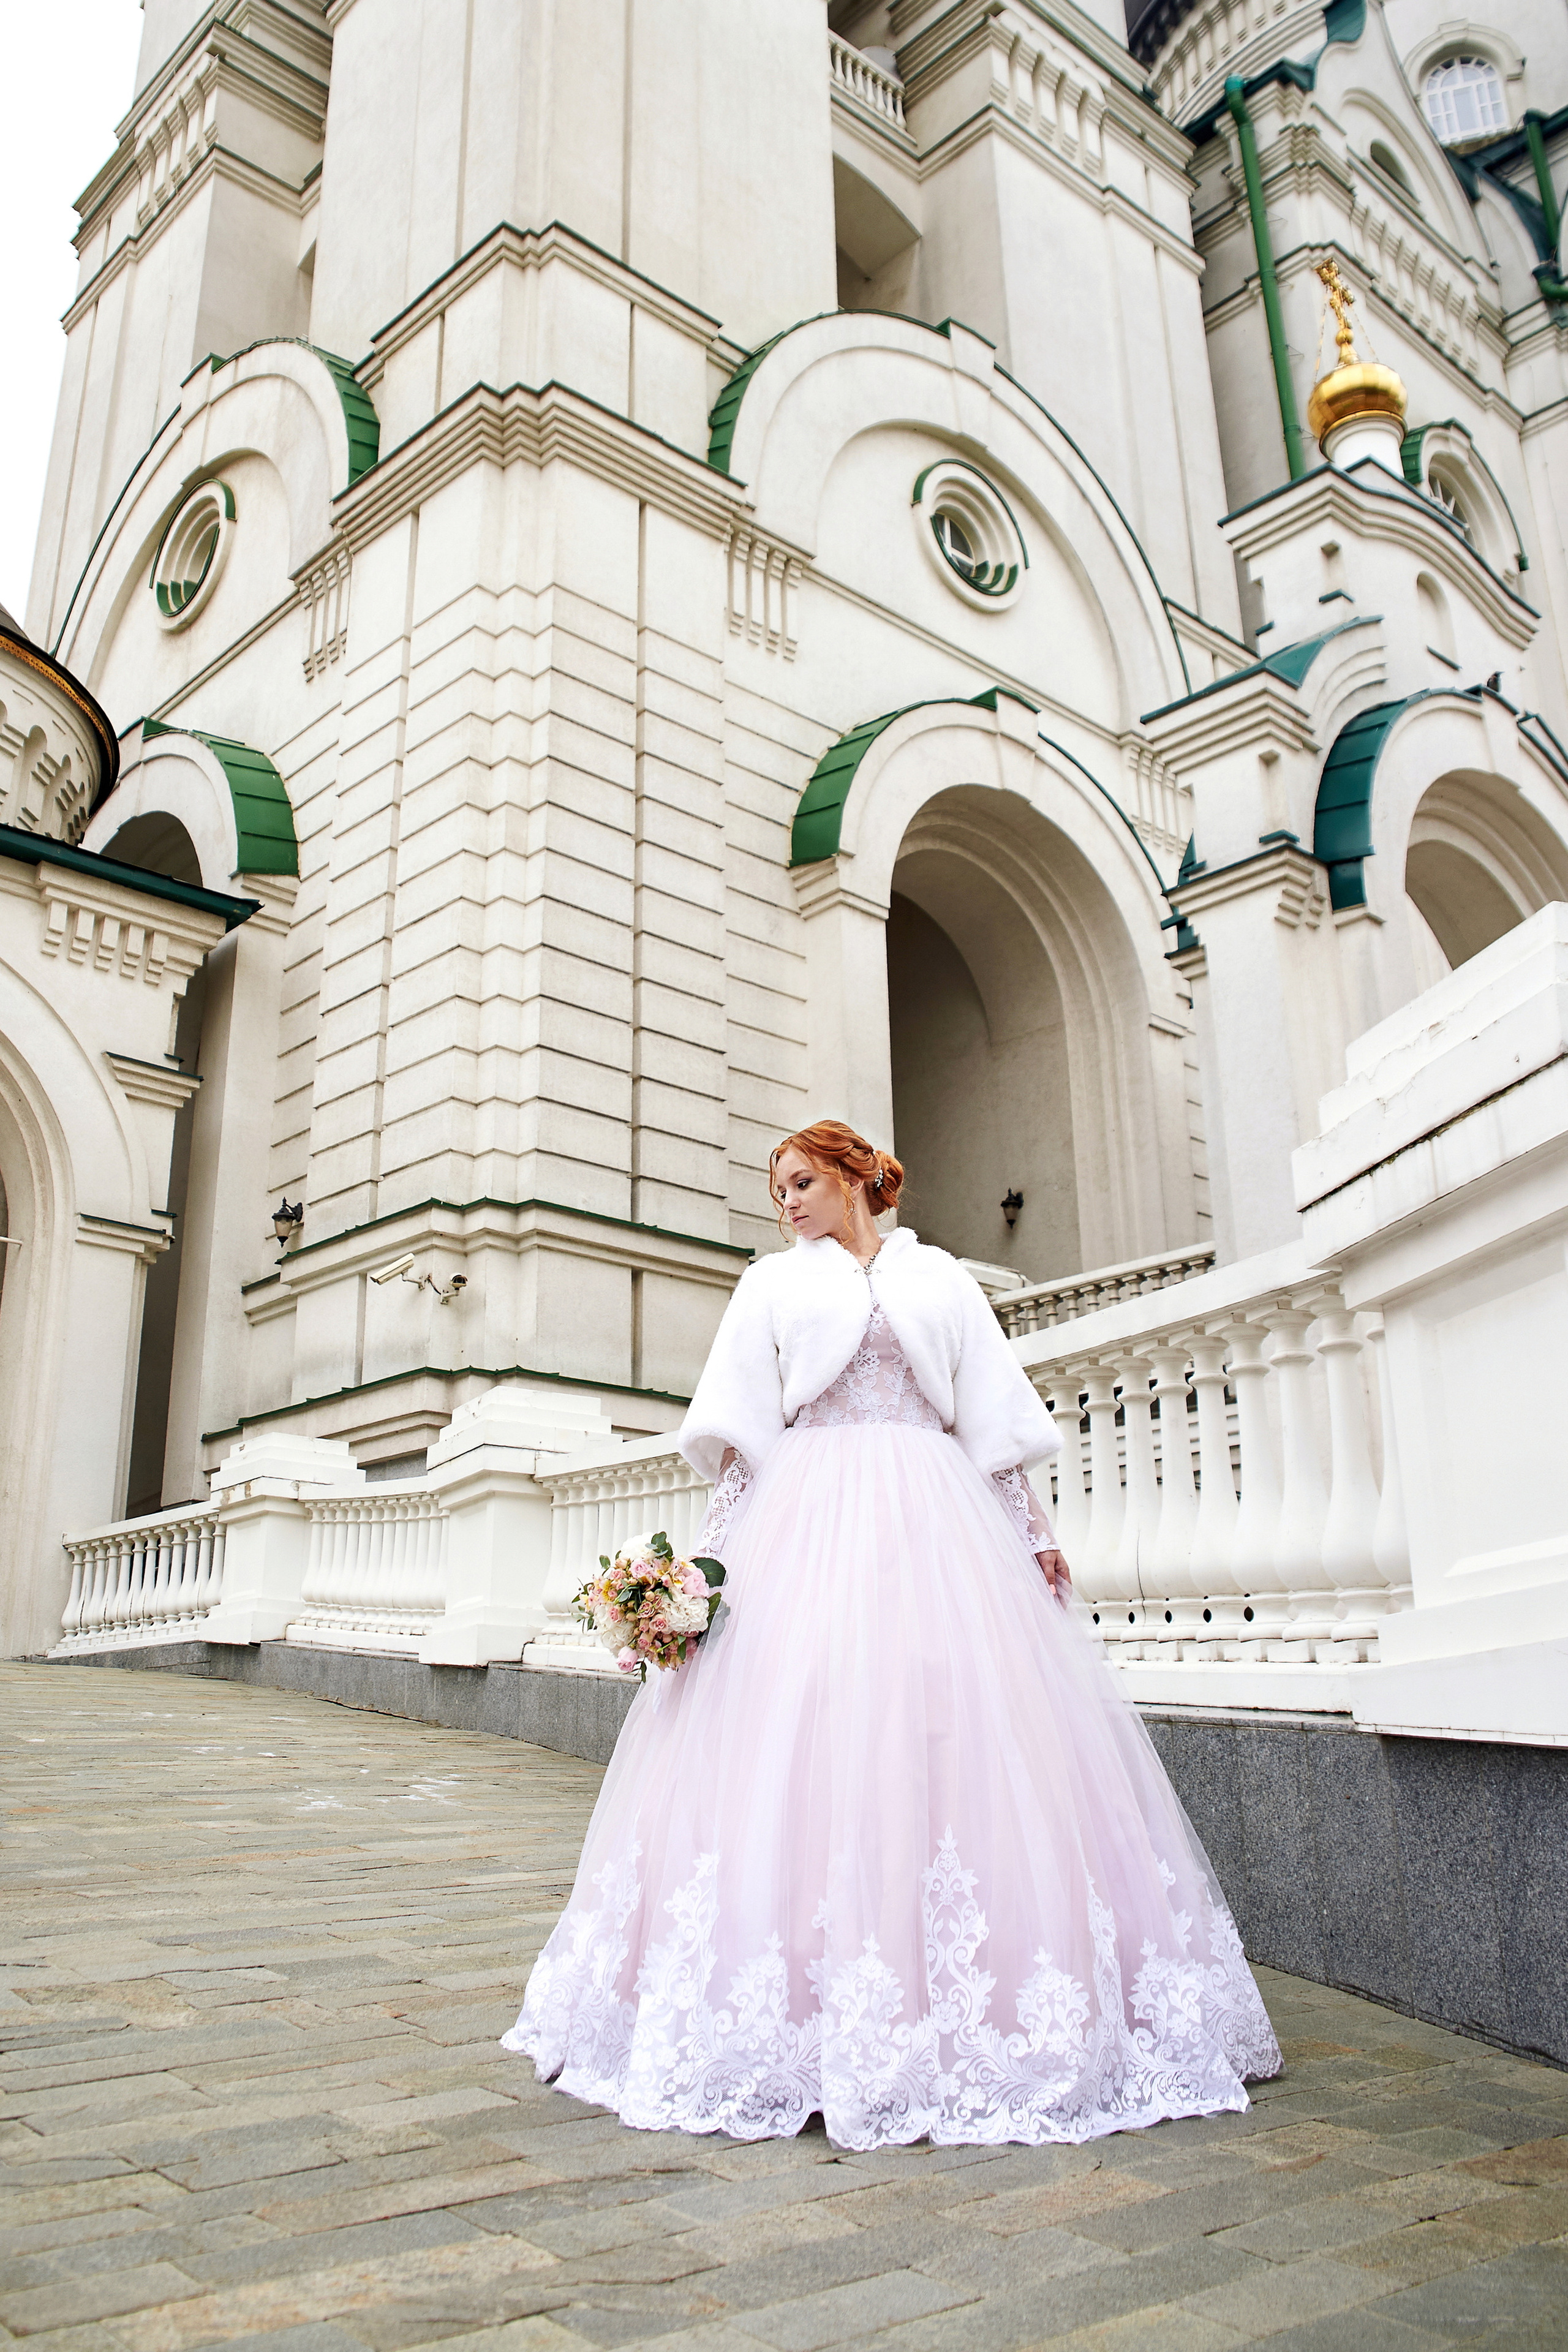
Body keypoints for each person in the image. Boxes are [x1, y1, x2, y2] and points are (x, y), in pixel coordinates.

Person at [502, 1120, 1280, 2148]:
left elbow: (990, 1422)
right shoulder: (771, 1288)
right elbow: (739, 1442)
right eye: (777, 1188)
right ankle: (803, 2024)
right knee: (806, 1735)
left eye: (801, 1182)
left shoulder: (943, 1281)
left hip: (938, 1515)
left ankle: (975, 2011)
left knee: (955, 1734)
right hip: (803, 1518)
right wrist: (704, 1571)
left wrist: (1034, 1535)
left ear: (854, 1178)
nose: (785, 1201)